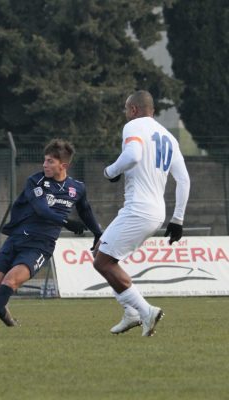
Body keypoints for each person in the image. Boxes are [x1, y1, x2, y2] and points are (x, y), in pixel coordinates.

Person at [0, 139, 102, 328]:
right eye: (44, 160)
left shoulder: (77, 188)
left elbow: (85, 210)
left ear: (64, 165)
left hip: (40, 245)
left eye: (50, 161)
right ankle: (11, 323)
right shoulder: (35, 181)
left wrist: (97, 233)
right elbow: (41, 209)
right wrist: (67, 222)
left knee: (10, 281)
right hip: (16, 239)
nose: (44, 164)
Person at [92, 90, 190, 337]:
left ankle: (145, 311)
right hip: (157, 211)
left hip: (139, 208)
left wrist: (110, 171)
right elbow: (184, 180)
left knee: (102, 261)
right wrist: (177, 219)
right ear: (152, 110)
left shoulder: (134, 126)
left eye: (127, 110)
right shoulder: (169, 137)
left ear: (133, 110)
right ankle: (131, 312)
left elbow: (133, 156)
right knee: (101, 253)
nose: (126, 115)